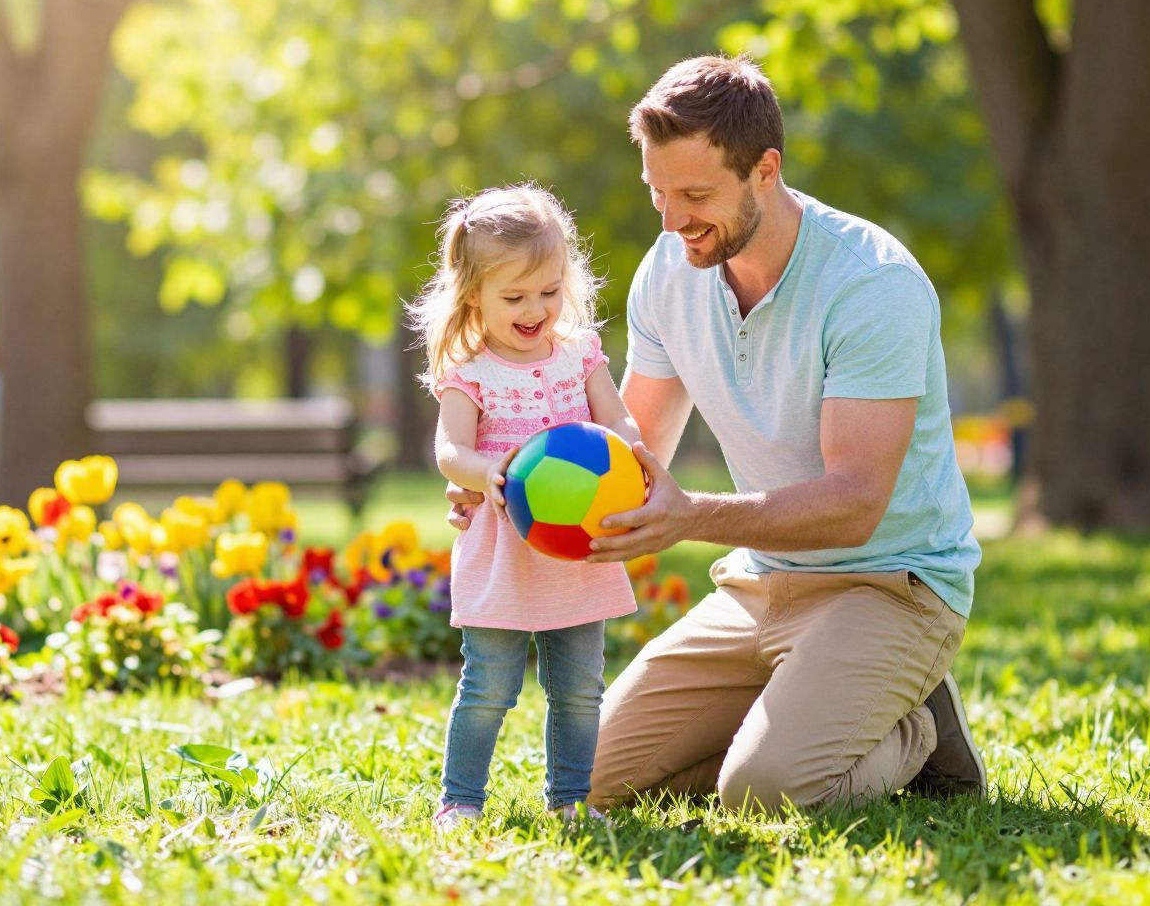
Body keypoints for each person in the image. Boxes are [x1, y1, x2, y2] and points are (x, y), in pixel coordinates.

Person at [448, 55, 986, 815]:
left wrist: (692, 516)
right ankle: (804, 709)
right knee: (595, 779)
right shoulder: (669, 274)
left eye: (695, 195)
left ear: (764, 170)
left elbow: (856, 503)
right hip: (758, 586)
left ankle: (915, 730)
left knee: (762, 793)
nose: (671, 221)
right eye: (658, 193)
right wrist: (505, 482)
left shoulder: (872, 285)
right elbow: (627, 457)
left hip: (890, 586)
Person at [410, 183, 641, 830]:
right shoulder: (471, 371)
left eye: (548, 290)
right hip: (503, 549)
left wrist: (631, 454)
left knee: (577, 689)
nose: (535, 308)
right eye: (514, 297)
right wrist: (488, 471)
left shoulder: (578, 354)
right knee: (488, 687)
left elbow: (618, 420)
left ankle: (570, 800)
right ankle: (460, 800)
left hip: (577, 549)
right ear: (472, 296)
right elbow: (450, 450)